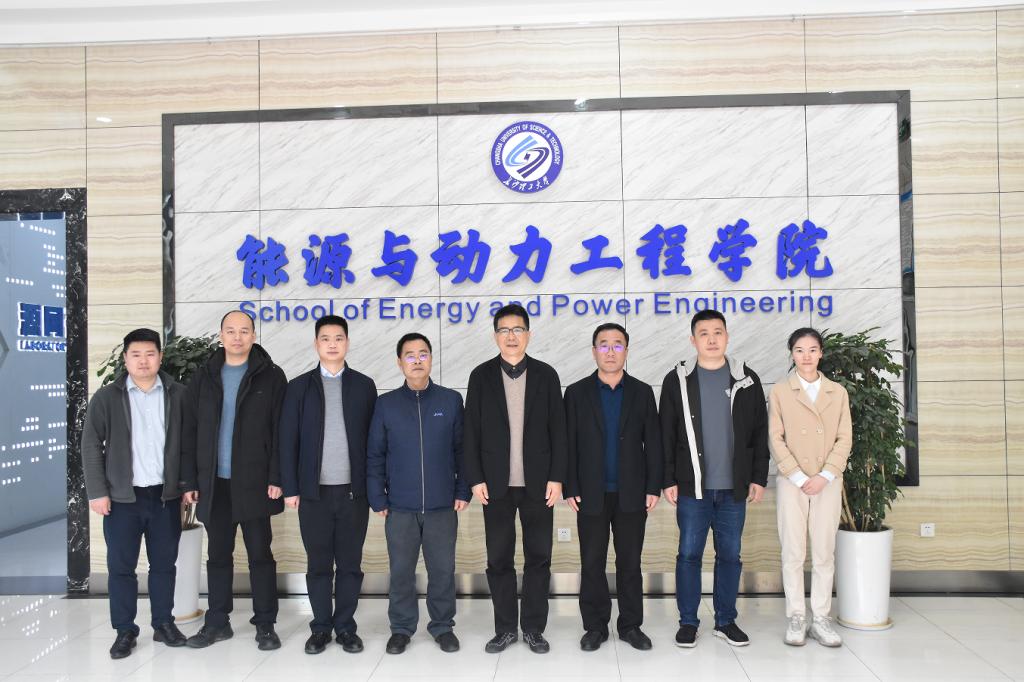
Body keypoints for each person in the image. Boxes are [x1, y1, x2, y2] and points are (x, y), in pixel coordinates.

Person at [659, 309, 769, 648]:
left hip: (734, 488)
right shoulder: (677, 379)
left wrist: (758, 477)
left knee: (730, 556)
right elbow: (666, 433)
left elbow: (759, 431)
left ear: (727, 337)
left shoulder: (746, 378)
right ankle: (688, 622)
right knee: (688, 555)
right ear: (693, 340)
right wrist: (667, 479)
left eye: (717, 332)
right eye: (704, 333)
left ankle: (725, 620)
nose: (711, 339)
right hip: (692, 486)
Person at [463, 303, 567, 654]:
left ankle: (534, 628)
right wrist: (475, 478)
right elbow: (471, 431)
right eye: (504, 330)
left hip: (539, 484)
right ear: (495, 336)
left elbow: (559, 430)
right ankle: (505, 628)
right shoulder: (480, 376)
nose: (511, 336)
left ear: (528, 335)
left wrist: (557, 477)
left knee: (539, 559)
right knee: (499, 560)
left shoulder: (546, 375)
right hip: (495, 486)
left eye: (517, 329)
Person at [181, 310, 287, 650]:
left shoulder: (271, 376)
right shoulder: (204, 377)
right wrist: (190, 480)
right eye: (231, 331)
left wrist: (278, 476)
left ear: (254, 335)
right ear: (221, 335)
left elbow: (281, 432)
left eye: (244, 331)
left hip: (256, 482)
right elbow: (189, 430)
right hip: (215, 484)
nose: (237, 337)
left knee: (260, 555)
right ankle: (217, 622)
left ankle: (265, 624)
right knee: (218, 556)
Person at [82, 328, 191, 659]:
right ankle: (125, 630)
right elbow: (90, 444)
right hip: (121, 499)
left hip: (165, 497)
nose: (144, 361)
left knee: (164, 565)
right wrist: (97, 492)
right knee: (121, 568)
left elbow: (190, 443)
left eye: (150, 354)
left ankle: (163, 623)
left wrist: (187, 485)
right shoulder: (107, 397)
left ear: (160, 356)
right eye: (136, 355)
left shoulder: (179, 394)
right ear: (125, 358)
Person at [279, 315, 378, 655]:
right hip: (314, 494)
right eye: (326, 338)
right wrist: (291, 487)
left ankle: (346, 628)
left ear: (347, 343)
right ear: (316, 344)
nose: (332, 344)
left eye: (338, 338)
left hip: (354, 493)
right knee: (318, 564)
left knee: (350, 565)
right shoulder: (299, 387)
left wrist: (374, 488)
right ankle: (321, 627)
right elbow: (287, 441)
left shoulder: (364, 386)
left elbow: (375, 442)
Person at [367, 333, 470, 655]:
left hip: (442, 505)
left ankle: (442, 626)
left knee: (442, 571)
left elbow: (463, 450)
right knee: (401, 572)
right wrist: (377, 496)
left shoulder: (450, 401)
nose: (416, 360)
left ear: (431, 359)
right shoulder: (386, 405)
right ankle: (401, 628)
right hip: (400, 506)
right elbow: (375, 453)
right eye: (409, 355)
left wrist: (463, 490)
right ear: (399, 362)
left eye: (423, 354)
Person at [564, 323, 662, 652]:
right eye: (603, 345)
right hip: (589, 492)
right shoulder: (576, 393)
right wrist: (570, 486)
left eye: (617, 345)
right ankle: (595, 627)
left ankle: (631, 625)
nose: (610, 351)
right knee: (592, 562)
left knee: (630, 563)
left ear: (626, 351)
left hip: (632, 492)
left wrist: (653, 486)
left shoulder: (642, 392)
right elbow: (568, 443)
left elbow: (654, 443)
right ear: (594, 351)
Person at [769, 327, 852, 648]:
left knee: (823, 552)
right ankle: (796, 616)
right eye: (800, 350)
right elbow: (775, 437)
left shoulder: (837, 392)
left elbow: (845, 437)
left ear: (821, 353)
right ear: (792, 354)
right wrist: (799, 477)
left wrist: (825, 475)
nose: (806, 356)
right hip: (792, 481)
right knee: (793, 551)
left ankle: (821, 617)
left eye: (813, 350)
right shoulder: (780, 391)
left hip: (827, 481)